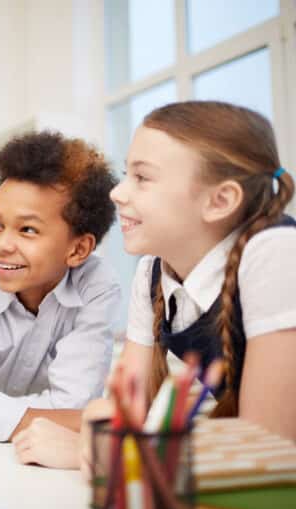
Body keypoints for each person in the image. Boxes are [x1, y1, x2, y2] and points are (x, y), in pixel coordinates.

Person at [81, 100, 296, 474]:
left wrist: (113, 452)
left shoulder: (275, 252)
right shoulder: (152, 272)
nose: (117, 192)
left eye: (142, 178)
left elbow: (266, 452)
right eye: (125, 173)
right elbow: (124, 416)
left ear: (220, 200)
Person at [0, 130, 120, 467]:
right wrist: (69, 420)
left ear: (78, 249)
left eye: (27, 230)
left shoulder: (97, 286)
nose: (2, 244)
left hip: (51, 462)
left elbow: (76, 404)